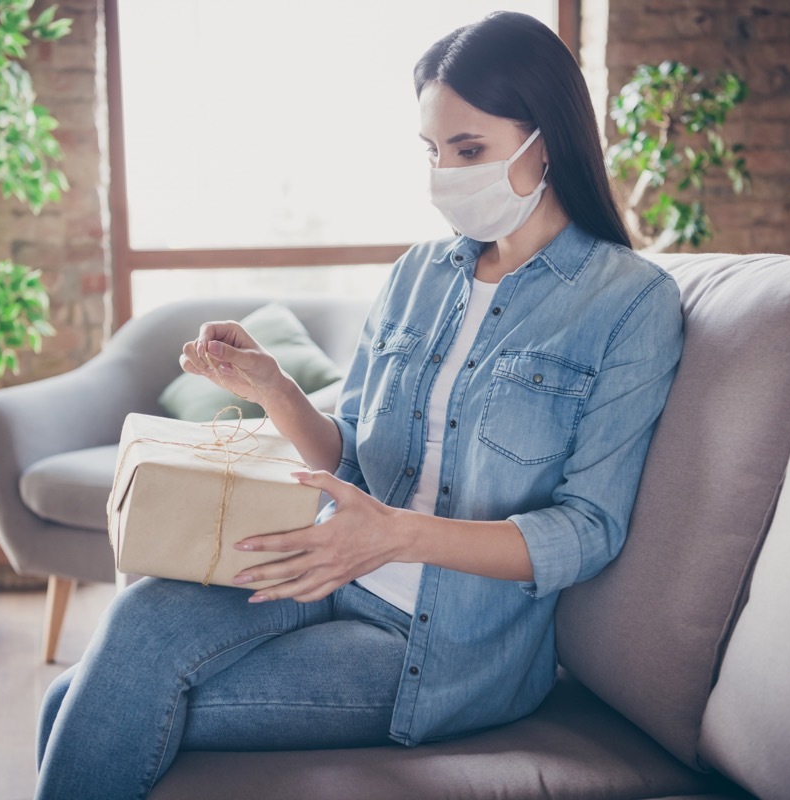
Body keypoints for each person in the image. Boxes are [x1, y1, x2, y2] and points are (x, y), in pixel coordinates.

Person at [34, 10, 683, 798]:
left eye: (469, 150)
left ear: (544, 138)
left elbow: (587, 532)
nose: (446, 175)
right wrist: (273, 389)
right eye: (433, 151)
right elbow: (352, 452)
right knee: (109, 651)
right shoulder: (418, 275)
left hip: (441, 646)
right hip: (327, 567)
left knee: (89, 700)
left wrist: (395, 537)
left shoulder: (629, 303)